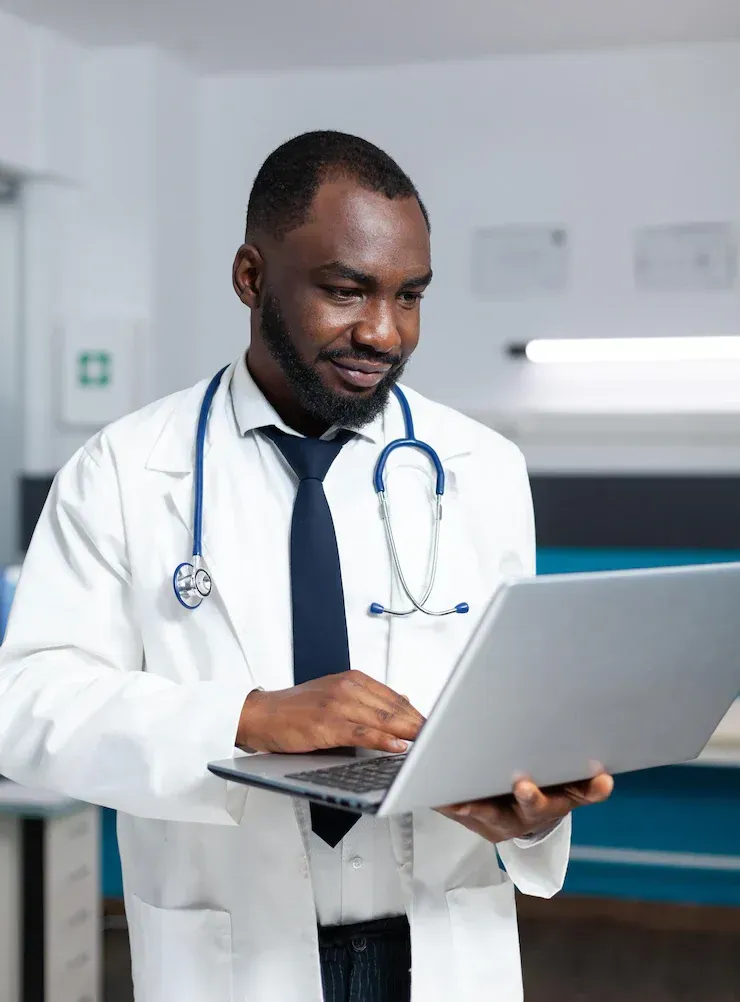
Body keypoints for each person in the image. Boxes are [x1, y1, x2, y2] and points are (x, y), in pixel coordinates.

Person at [0, 131, 612, 1002]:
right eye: (345, 290)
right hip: (235, 950)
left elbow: (507, 695)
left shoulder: (480, 469)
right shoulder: (125, 472)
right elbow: (27, 704)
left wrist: (528, 804)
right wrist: (247, 718)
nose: (383, 332)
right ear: (252, 277)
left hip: (440, 937)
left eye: (411, 297)